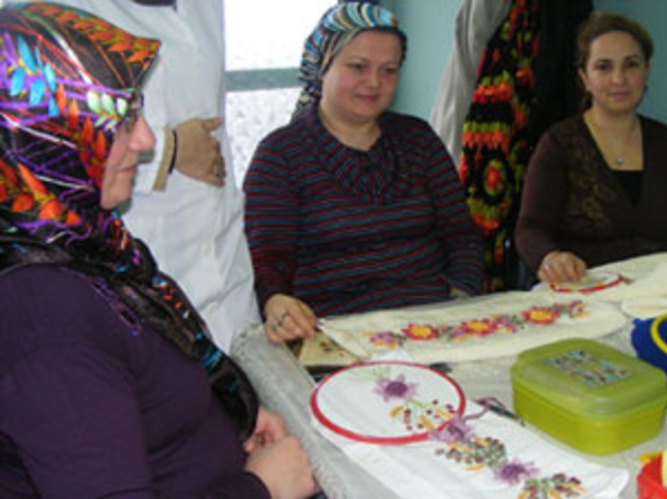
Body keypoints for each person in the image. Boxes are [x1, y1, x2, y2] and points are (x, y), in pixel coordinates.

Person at [0, 4, 316, 497]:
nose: (147, 139)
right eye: (122, 120)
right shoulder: (45, 322)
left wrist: (232, 412)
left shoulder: (78, 242)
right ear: (46, 134)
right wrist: (263, 488)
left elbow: (145, 377)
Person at [9, 0, 262, 352]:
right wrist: (168, 149)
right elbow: (32, 149)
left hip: (225, 262)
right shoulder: (54, 9)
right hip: (142, 263)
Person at [244, 2, 484, 343]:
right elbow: (268, 256)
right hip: (336, 335)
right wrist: (276, 299)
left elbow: (460, 234)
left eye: (389, 70)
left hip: (433, 323)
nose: (374, 82)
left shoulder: (418, 139)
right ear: (322, 65)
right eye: (358, 66)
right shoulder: (280, 155)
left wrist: (460, 301)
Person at [515, 12, 667, 284]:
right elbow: (529, 229)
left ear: (646, 71)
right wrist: (551, 258)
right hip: (585, 292)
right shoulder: (558, 144)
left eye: (631, 65)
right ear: (584, 78)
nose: (619, 79)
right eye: (604, 67)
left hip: (659, 291)